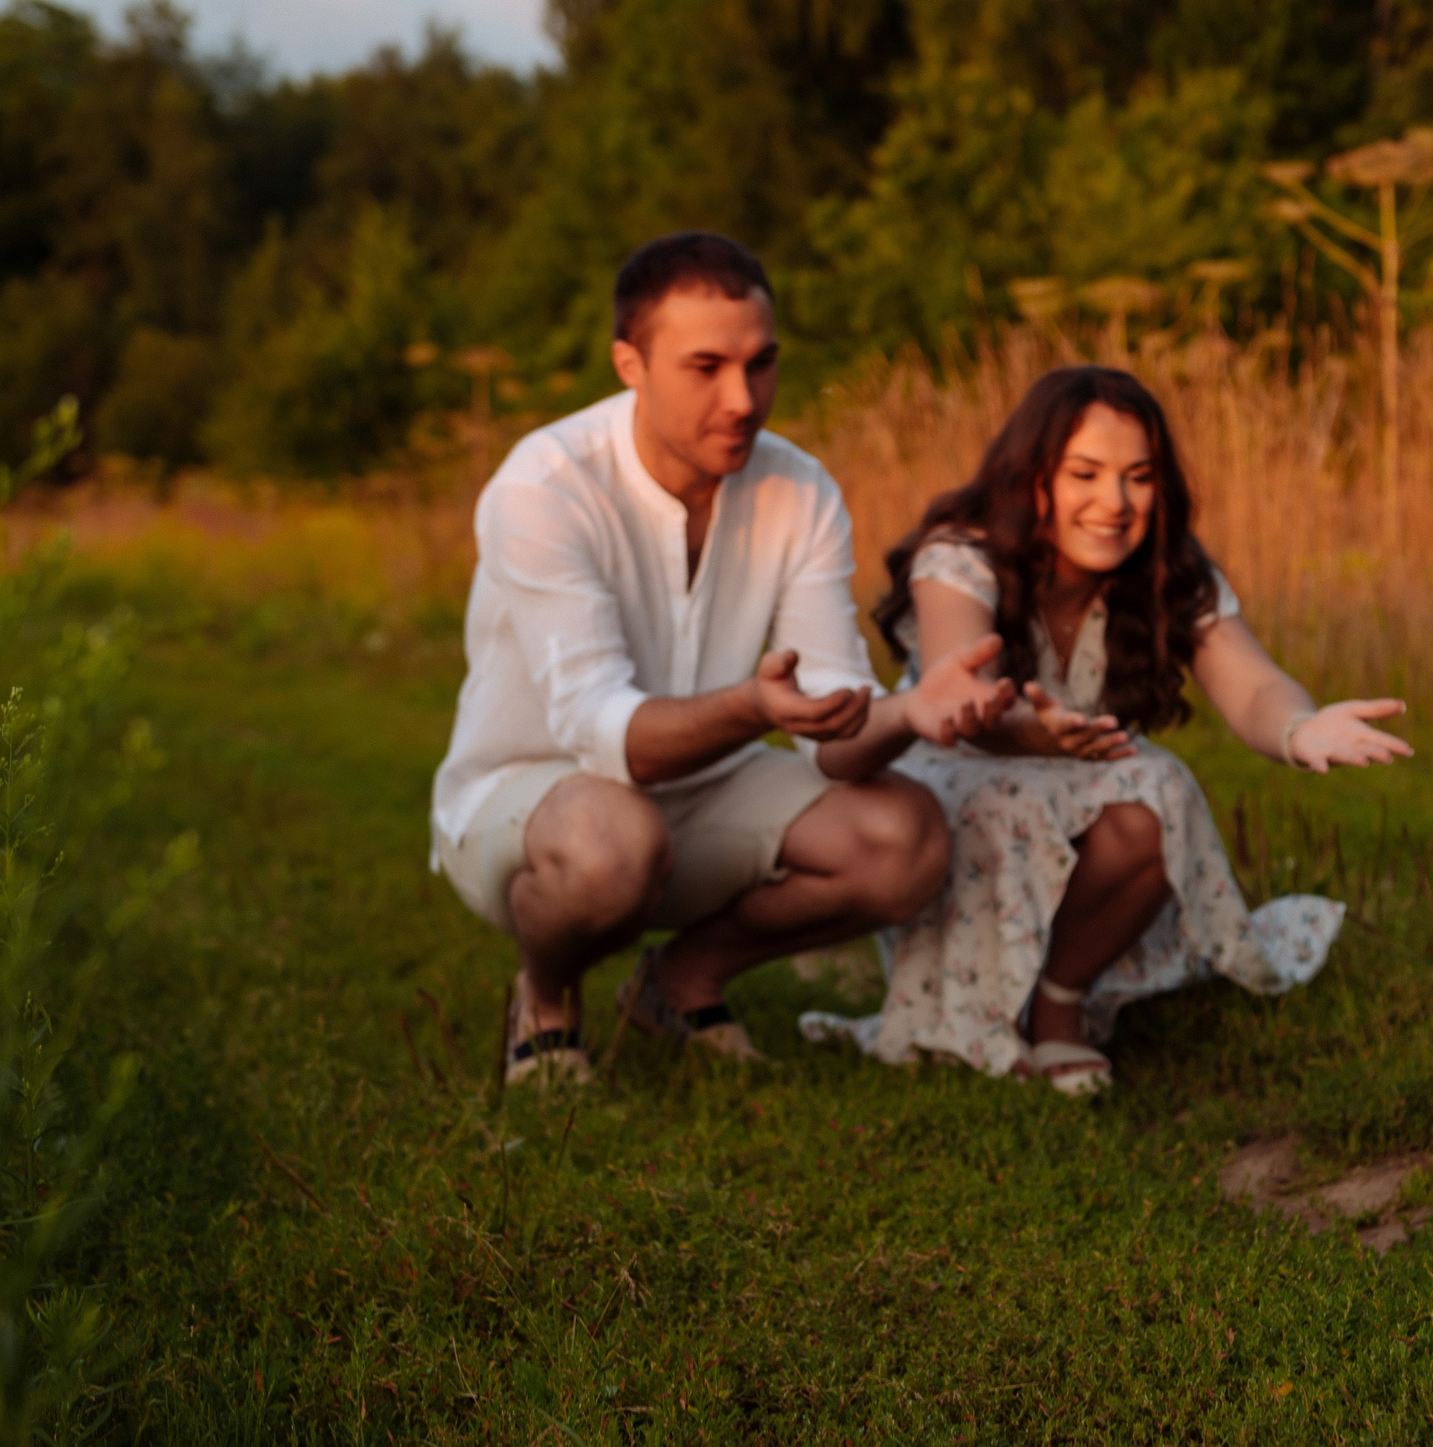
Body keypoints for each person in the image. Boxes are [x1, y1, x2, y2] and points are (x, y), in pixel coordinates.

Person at [431, 232, 1014, 1084]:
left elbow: (832, 731)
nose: (744, 399)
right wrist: (751, 707)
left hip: (703, 789)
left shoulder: (799, 487)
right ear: (629, 362)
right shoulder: (544, 487)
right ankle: (547, 998)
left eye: (762, 363)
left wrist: (909, 709)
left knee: (908, 837)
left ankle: (680, 983)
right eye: (706, 367)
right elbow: (608, 738)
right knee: (610, 843)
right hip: (529, 796)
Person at [803, 365, 1412, 1093]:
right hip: (961, 762)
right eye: (1085, 473)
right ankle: (986, 1005)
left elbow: (1251, 684)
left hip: (1081, 766)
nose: (1115, 502)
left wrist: (1299, 727)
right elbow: (957, 685)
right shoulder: (963, 554)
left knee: (1160, 784)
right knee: (1045, 795)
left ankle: (1061, 1003)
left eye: (1139, 476)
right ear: (1033, 476)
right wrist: (1032, 730)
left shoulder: (1168, 569)